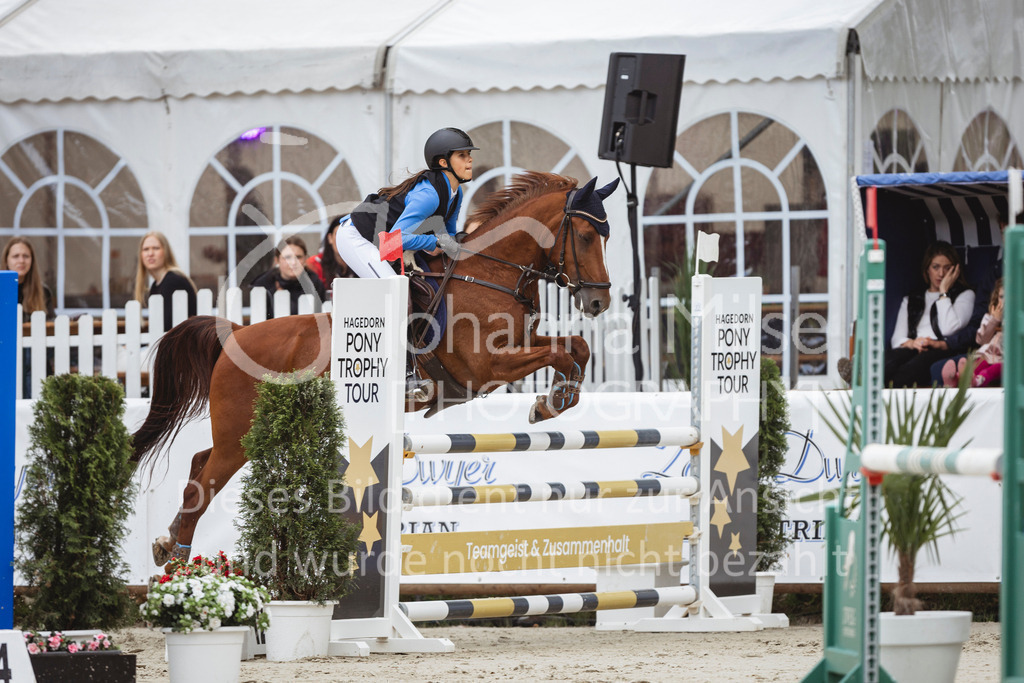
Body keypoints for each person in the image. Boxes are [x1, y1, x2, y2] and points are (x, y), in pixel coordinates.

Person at [333, 127, 478, 399]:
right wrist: (434, 242)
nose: (470, 159)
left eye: (469, 154)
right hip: (357, 238)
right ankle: (405, 373)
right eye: (462, 155)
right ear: (443, 162)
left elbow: (446, 236)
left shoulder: (455, 193)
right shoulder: (429, 194)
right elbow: (393, 241)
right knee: (394, 292)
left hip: (383, 240)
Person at [884, 241, 975, 388]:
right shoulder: (912, 299)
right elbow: (897, 340)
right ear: (927, 269)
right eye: (936, 267)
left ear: (956, 270)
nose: (941, 274)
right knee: (886, 362)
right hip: (914, 346)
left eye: (947, 268)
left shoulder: (965, 295)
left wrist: (944, 292)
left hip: (940, 349)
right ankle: (857, 375)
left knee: (909, 371)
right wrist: (913, 343)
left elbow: (949, 329)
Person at [942, 278, 1004, 388]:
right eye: (1001, 297)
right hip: (987, 355)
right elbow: (981, 340)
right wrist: (994, 320)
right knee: (976, 366)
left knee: (991, 370)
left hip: (1005, 359)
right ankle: (955, 379)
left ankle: (977, 381)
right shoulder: (990, 317)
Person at [134, 231, 198, 332]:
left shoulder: (173, 281)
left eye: (156, 248)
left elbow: (167, 326)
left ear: (166, 252)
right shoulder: (155, 286)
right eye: (146, 249)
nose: (150, 254)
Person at [251, 236, 326, 316]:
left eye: (298, 257)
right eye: (287, 257)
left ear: (305, 259)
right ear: (277, 260)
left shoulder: (315, 284)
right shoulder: (263, 285)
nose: (293, 262)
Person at [4, 236, 54, 320]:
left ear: (32, 260)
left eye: (26, 256)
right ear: (6, 260)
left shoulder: (44, 292)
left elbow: (51, 322)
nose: (21, 261)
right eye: (16, 256)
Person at [306, 215, 355, 296]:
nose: (343, 239)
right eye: (338, 234)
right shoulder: (314, 264)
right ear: (330, 238)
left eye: (349, 235)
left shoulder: (364, 264)